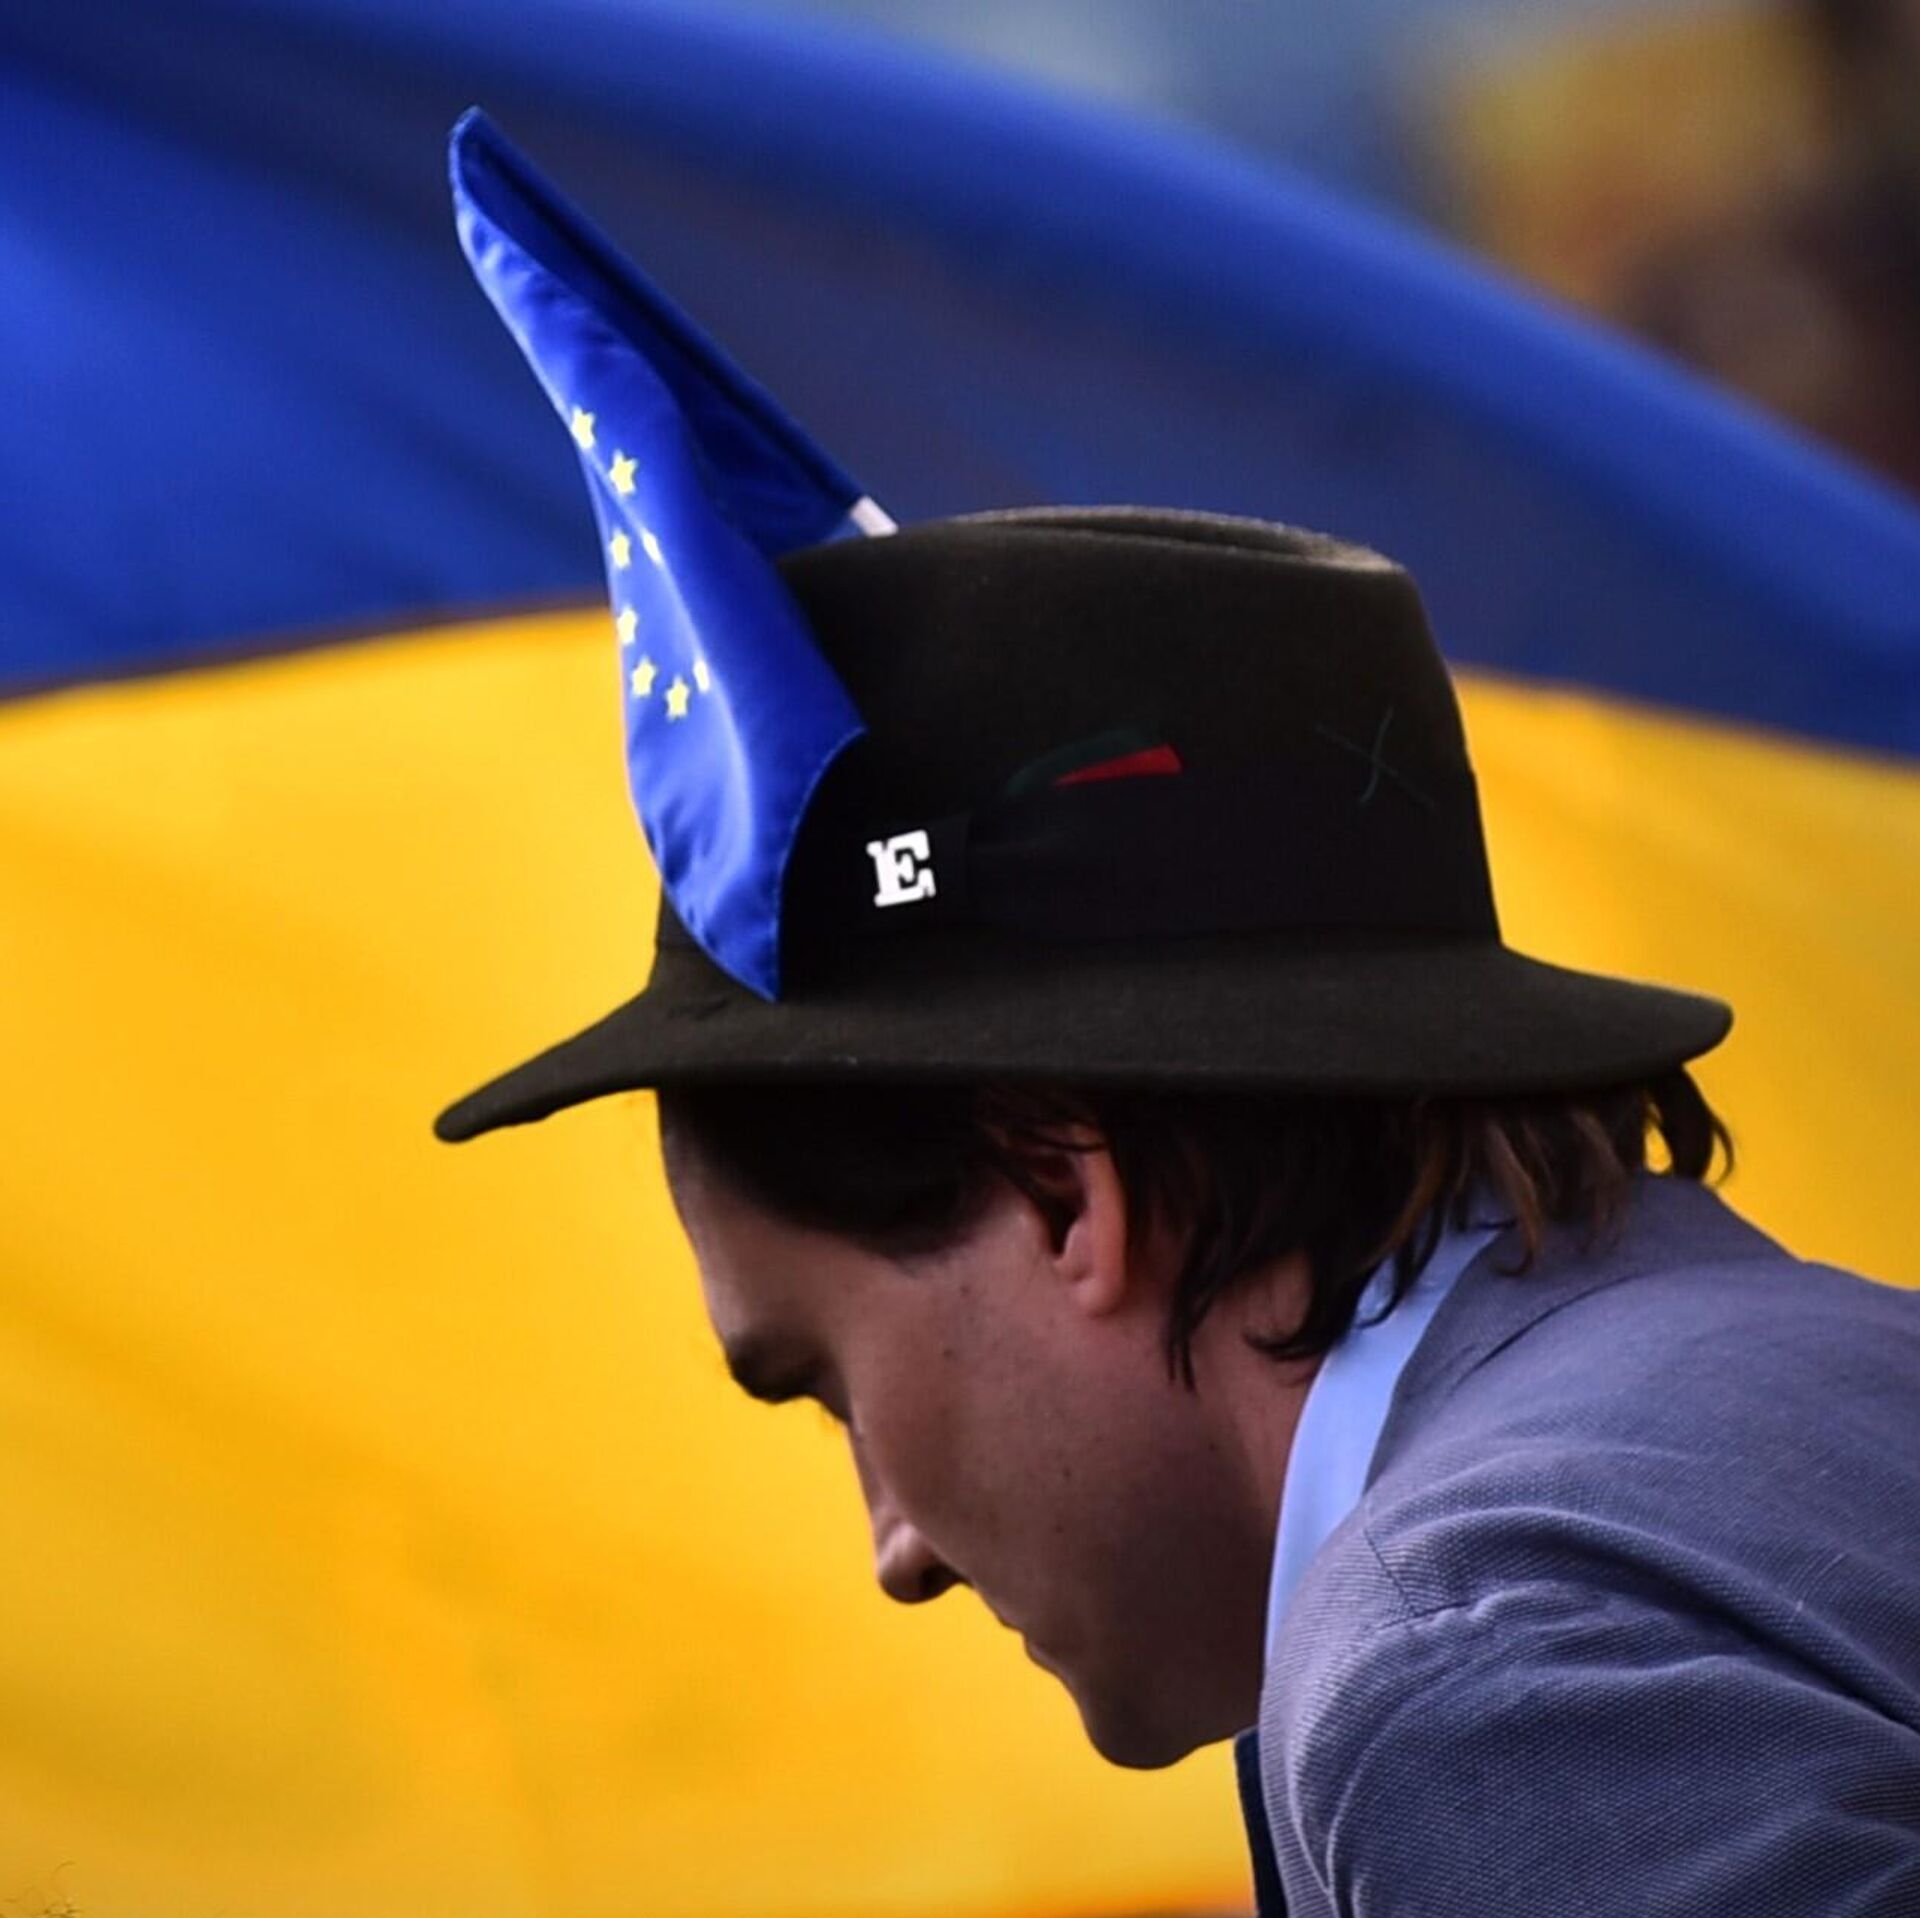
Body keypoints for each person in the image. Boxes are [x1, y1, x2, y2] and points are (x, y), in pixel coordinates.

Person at [436, 114, 1920, 1914]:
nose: (893, 1544)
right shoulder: (1834, 1382)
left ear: (1068, 1187)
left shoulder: (1462, 1670)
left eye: (822, 1383)